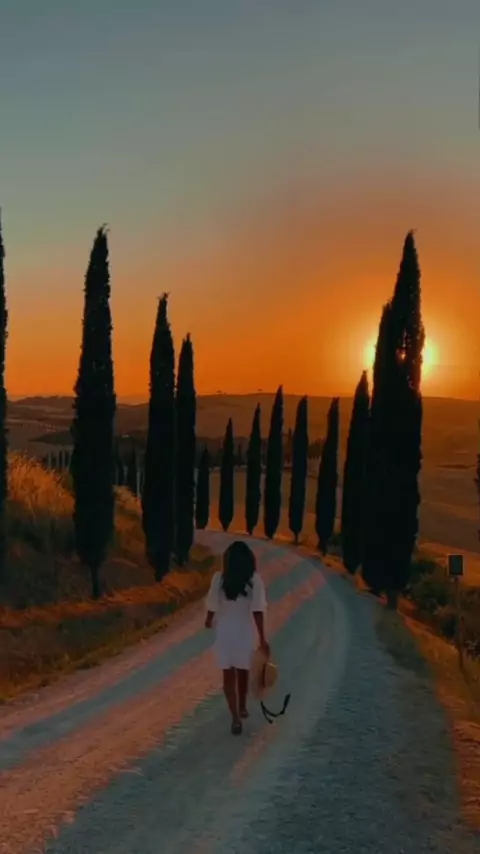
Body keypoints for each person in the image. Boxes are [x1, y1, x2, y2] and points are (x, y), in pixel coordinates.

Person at [205, 540, 270, 735]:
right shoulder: (254, 581)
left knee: (228, 675)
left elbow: (212, 604)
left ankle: (235, 718)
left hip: (225, 631)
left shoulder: (219, 580)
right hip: (244, 631)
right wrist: (262, 638)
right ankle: (242, 705)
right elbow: (257, 611)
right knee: (243, 669)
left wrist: (208, 620)